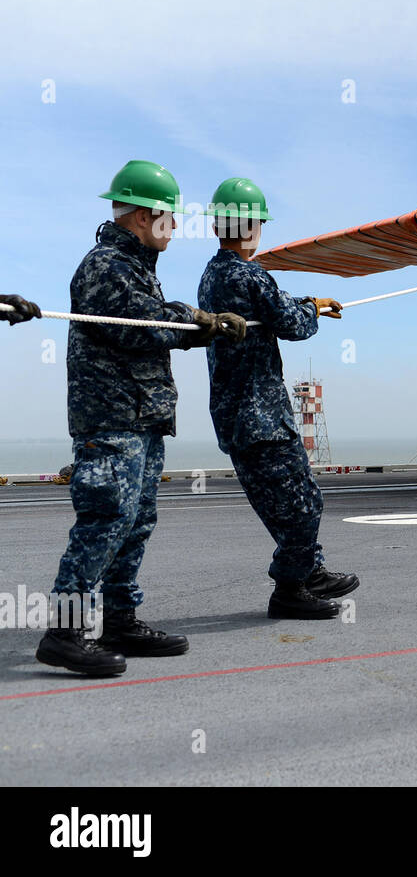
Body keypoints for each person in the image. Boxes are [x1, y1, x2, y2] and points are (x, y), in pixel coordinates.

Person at [36, 160, 247, 678]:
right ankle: (63, 634)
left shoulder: (135, 269)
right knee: (105, 517)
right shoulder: (105, 266)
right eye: (168, 218)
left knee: (135, 521)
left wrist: (197, 325)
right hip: (111, 418)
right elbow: (136, 327)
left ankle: (120, 619)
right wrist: (198, 322)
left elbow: (153, 322)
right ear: (143, 217)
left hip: (141, 417)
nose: (174, 228)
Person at [198, 177, 358, 619]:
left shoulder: (212, 275)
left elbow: (274, 308)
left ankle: (309, 571)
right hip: (262, 416)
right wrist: (313, 309)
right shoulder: (250, 275)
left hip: (234, 416)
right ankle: (290, 588)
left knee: (283, 505)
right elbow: (293, 324)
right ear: (253, 227)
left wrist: (308, 301)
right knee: (305, 503)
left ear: (217, 226)